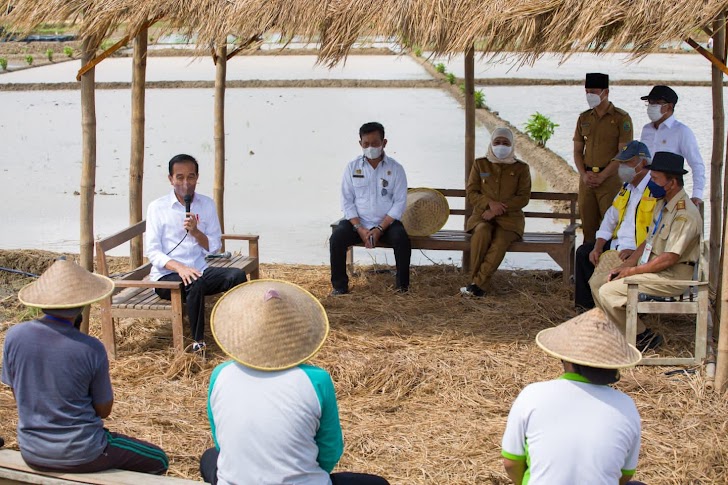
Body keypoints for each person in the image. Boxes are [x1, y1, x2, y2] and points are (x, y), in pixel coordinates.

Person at [201, 279, 390, 485]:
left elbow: (221, 442)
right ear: (300, 332)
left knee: (209, 458)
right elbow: (330, 450)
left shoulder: (220, 373)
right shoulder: (317, 380)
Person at [2, 259, 169, 474]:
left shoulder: (15, 336)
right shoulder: (90, 348)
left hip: (32, 450)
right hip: (83, 451)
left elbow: (19, 395)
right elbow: (104, 410)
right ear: (83, 304)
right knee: (159, 459)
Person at [501, 308, 644, 485]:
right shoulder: (626, 406)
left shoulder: (532, 395)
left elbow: (511, 462)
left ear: (565, 358)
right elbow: (624, 474)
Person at [594, 152, 702, 350]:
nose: (650, 183)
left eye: (655, 179)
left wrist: (632, 272)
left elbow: (669, 258)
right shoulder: (663, 205)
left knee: (608, 292)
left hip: (673, 277)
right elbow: (647, 241)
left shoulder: (684, 214)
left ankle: (643, 338)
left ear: (672, 183)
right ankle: (618, 332)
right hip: (654, 269)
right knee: (600, 281)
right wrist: (626, 265)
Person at [146, 154, 246, 352]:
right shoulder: (157, 208)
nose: (185, 183)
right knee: (194, 281)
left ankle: (239, 330)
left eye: (190, 177)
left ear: (197, 177)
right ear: (171, 179)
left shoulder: (206, 204)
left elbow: (214, 246)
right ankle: (198, 342)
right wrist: (180, 267)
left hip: (199, 270)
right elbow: (153, 252)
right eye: (180, 177)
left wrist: (196, 232)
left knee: (237, 275)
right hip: (167, 278)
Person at [574, 140, 662, 310]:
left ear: (642, 162)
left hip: (638, 250)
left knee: (603, 278)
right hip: (617, 245)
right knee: (584, 253)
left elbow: (657, 231)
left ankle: (610, 311)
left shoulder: (655, 190)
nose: (622, 167)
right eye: (620, 163)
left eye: (627, 162)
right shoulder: (626, 189)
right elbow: (609, 219)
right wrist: (598, 246)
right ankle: (585, 309)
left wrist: (636, 252)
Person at [330, 122, 410, 295]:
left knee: (402, 239)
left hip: (387, 224)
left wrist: (380, 228)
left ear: (384, 143)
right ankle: (339, 287)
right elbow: (347, 201)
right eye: (366, 144)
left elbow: (399, 203)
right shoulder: (352, 167)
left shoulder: (396, 169)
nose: (370, 147)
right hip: (358, 223)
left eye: (375, 143)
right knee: (337, 237)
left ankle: (402, 288)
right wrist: (359, 228)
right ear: (360, 144)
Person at [460, 127, 531, 297]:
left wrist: (497, 210)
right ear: (491, 144)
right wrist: (489, 204)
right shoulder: (480, 164)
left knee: (500, 241)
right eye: (497, 142)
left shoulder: (521, 168)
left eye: (505, 143)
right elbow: (472, 192)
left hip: (510, 221)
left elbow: (523, 197)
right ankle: (475, 281)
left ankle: (477, 284)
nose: (501, 146)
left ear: (512, 145)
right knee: (482, 233)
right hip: (482, 217)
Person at [574, 73, 633, 243]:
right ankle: (588, 268)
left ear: (605, 92)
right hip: (587, 181)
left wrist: (603, 176)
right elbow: (578, 151)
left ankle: (607, 266)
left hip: (610, 181)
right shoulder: (584, 118)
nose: (589, 96)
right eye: (586, 92)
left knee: (611, 229)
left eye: (593, 92)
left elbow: (623, 154)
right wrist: (584, 175)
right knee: (588, 230)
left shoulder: (621, 119)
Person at [639, 85, 706, 205]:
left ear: (669, 106)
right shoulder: (646, 130)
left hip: (669, 193)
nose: (651, 106)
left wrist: (697, 194)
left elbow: (697, 164)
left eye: (657, 102)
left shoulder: (681, 131)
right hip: (644, 192)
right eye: (650, 102)